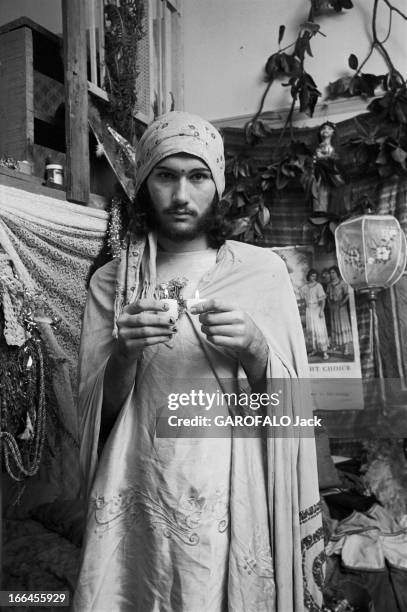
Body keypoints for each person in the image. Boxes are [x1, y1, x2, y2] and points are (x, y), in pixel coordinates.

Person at [73, 111, 324, 611]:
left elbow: (294, 412)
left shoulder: (262, 272)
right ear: (144, 185)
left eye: (198, 175)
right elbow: (94, 420)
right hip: (138, 491)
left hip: (233, 493)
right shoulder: (113, 284)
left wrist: (256, 349)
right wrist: (125, 352)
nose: (182, 195)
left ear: (219, 184)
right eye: (166, 175)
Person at [300, 269, 329, 361]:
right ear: (309, 276)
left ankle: (324, 352)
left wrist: (321, 311)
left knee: (319, 330)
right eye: (312, 276)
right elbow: (301, 294)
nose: (314, 278)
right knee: (311, 329)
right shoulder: (305, 287)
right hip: (309, 310)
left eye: (315, 276)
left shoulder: (318, 286)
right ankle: (314, 349)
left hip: (317, 309)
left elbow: (323, 300)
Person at [327, 265, 353, 357]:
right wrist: (330, 304)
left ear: (337, 273)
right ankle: (337, 345)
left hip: (341, 308)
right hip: (333, 308)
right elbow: (327, 297)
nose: (331, 274)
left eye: (333, 272)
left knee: (343, 326)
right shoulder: (329, 285)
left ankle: (346, 348)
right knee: (335, 326)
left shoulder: (342, 283)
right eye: (330, 273)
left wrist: (342, 303)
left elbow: (348, 295)